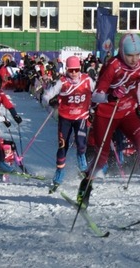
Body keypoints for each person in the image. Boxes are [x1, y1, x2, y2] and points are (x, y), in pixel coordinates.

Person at [77, 33, 140, 216]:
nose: (134, 60)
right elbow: (95, 95)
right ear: (121, 52)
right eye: (129, 55)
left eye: (137, 55)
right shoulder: (112, 66)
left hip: (127, 111)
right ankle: (86, 184)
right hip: (106, 113)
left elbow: (137, 87)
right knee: (102, 156)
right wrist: (111, 95)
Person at [41, 56, 94, 192]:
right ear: (67, 70)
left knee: (81, 143)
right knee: (62, 146)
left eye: (76, 70)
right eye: (71, 70)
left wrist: (96, 107)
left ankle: (83, 168)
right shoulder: (62, 82)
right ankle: (59, 176)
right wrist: (50, 102)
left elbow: (99, 93)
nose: (74, 73)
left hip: (81, 117)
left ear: (80, 68)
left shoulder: (87, 80)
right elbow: (46, 96)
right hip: (65, 118)